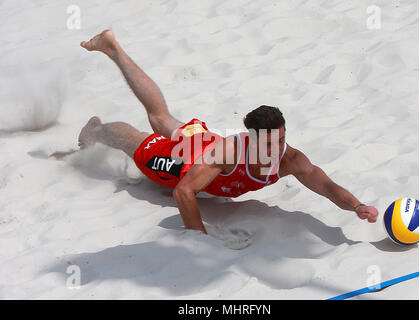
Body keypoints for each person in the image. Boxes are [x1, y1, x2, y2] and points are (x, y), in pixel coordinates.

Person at [78, 30, 379, 234]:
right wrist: (200, 238)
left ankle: (113, 48)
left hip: (205, 142)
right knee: (137, 142)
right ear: (252, 139)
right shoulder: (227, 155)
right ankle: (98, 129)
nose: (280, 148)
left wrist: (357, 205)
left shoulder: (292, 159)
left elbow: (326, 187)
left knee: (162, 116)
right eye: (272, 143)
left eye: (283, 139)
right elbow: (183, 191)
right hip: (185, 162)